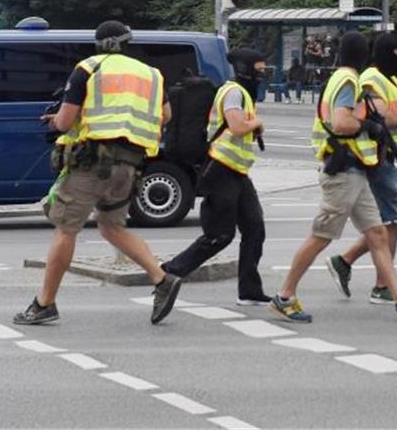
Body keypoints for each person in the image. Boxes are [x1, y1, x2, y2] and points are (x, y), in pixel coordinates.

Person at [14, 21, 182, 326]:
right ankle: (162, 278)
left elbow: (65, 122)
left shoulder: (88, 68)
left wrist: (54, 122)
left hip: (92, 164)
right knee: (112, 227)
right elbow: (166, 115)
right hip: (130, 166)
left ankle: (44, 304)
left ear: (101, 44)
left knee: (66, 229)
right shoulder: (152, 74)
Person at [269, 30, 397, 323]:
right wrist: (368, 125)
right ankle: (284, 296)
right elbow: (341, 122)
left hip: (355, 169)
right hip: (343, 170)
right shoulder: (347, 80)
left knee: (378, 233)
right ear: (361, 55)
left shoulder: (342, 78)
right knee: (321, 236)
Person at [162, 47, 269, 306]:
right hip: (221, 169)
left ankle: (250, 291)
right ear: (245, 68)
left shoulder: (241, 92)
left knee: (255, 229)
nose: (263, 73)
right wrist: (256, 123)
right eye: (259, 68)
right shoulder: (233, 92)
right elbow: (236, 126)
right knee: (219, 236)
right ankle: (170, 273)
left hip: (237, 172)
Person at [326, 32, 397, 304]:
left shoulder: (392, 79)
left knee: (389, 223)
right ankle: (382, 287)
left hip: (387, 157)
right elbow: (380, 116)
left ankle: (345, 261)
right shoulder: (370, 79)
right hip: (376, 158)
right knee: (392, 221)